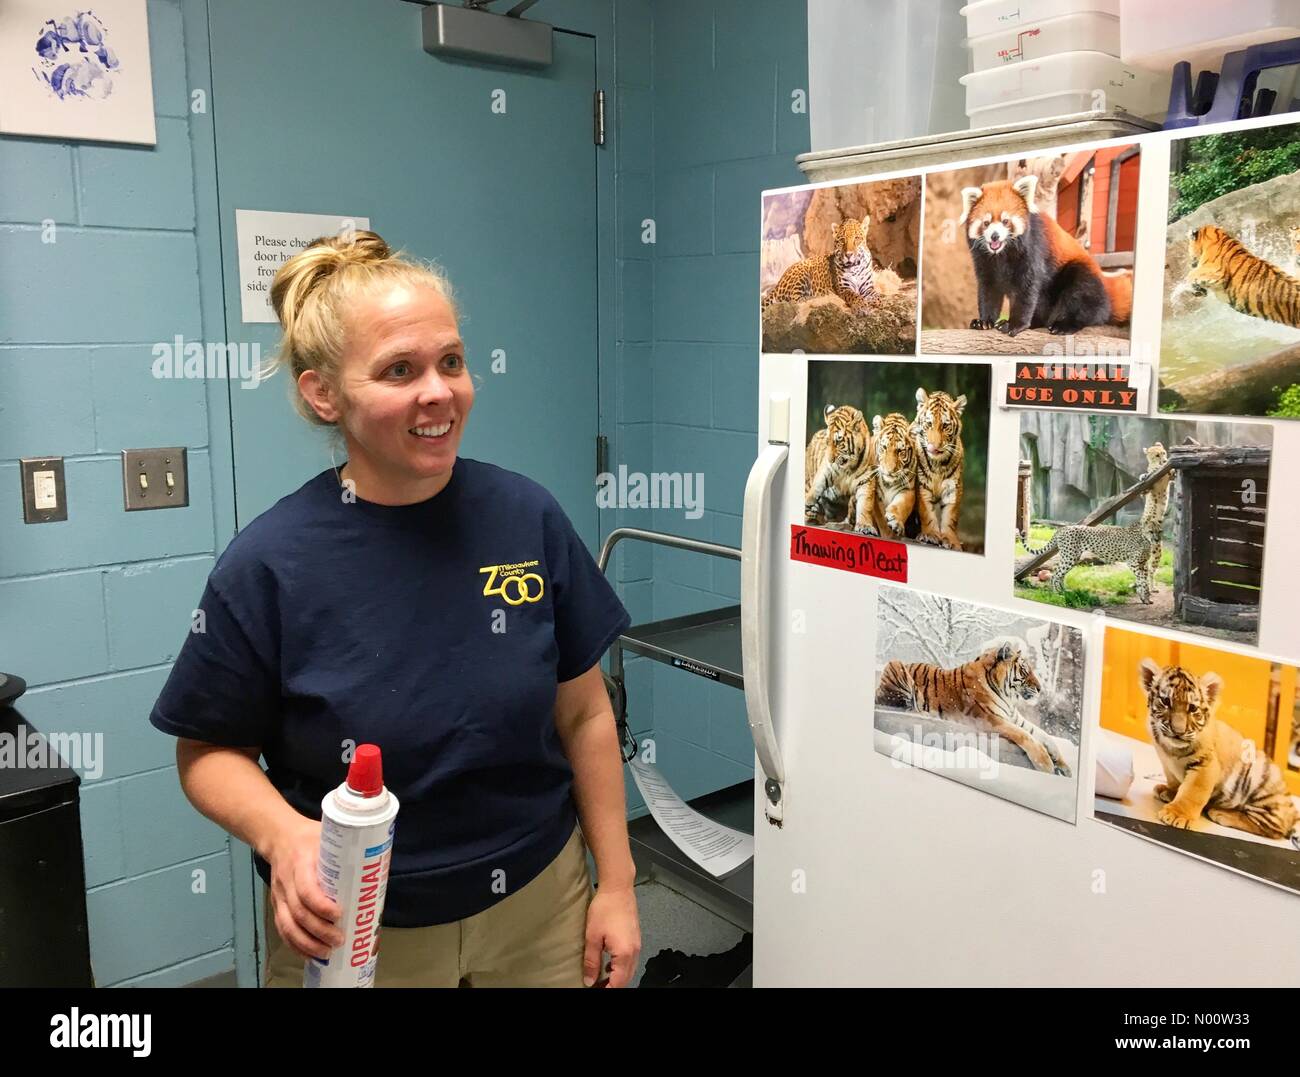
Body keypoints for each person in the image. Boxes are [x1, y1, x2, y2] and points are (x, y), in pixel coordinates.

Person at [149, 229, 641, 987]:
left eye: (451, 361)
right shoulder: (272, 562)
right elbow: (206, 750)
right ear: (323, 393)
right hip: (359, 928)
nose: (439, 390)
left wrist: (616, 882)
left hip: (542, 905)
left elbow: (583, 713)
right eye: (399, 370)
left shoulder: (526, 517)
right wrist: (282, 834)